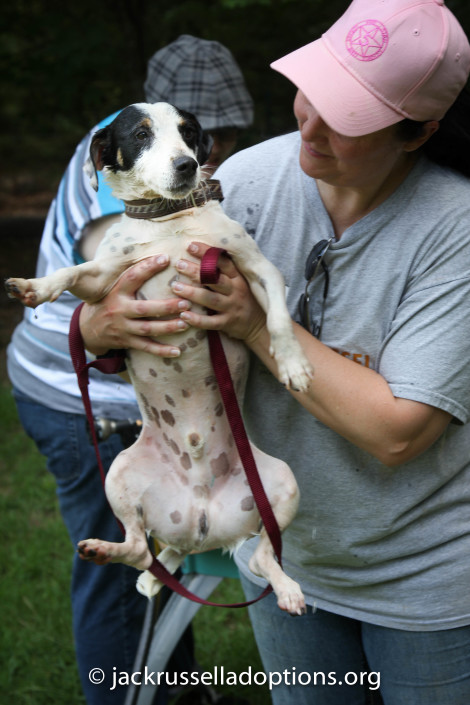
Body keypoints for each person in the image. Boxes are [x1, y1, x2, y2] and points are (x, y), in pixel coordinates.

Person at [77, 1, 470, 703]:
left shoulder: (455, 229)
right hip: (280, 550)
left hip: (421, 580)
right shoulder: (246, 179)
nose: (308, 125)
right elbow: (120, 298)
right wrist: (99, 329)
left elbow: (399, 430)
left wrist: (258, 325)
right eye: (311, 93)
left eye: (346, 117)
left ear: (420, 134)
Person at [7, 35, 253, 705]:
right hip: (77, 392)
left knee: (160, 545)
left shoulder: (147, 148)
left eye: (212, 140)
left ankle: (177, 694)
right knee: (122, 568)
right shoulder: (124, 164)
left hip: (95, 382)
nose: (198, 160)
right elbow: (113, 269)